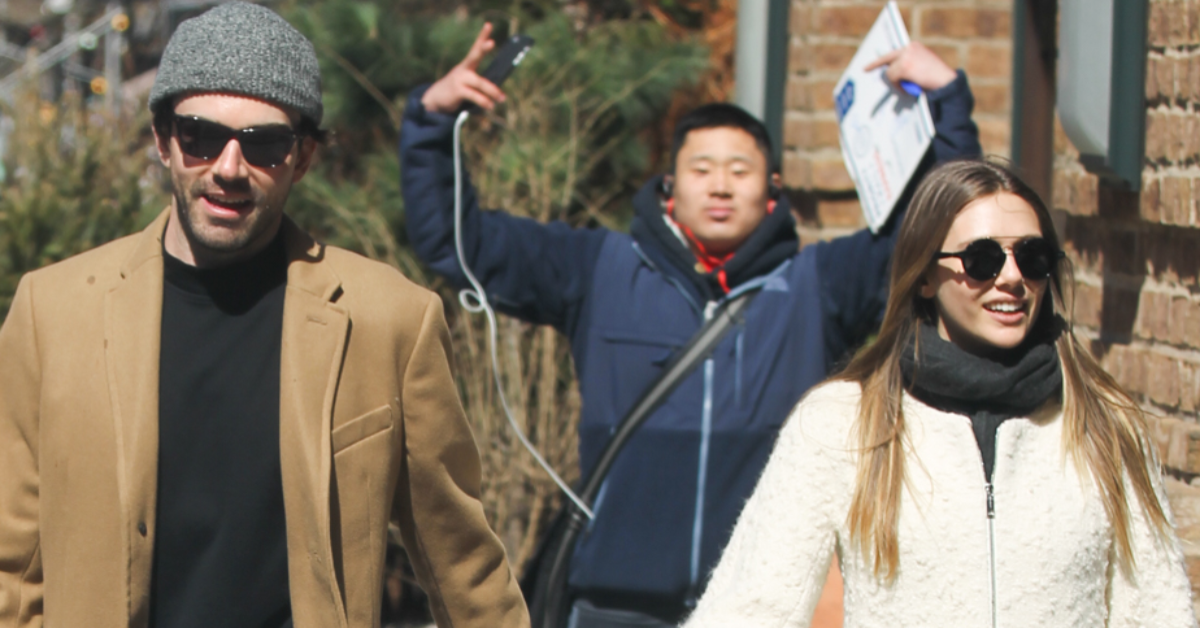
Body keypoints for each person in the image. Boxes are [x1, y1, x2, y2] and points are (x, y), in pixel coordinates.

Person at [400, 24, 981, 627]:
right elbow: (456, 243)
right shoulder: (599, 269)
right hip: (615, 607)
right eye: (702, 169)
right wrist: (431, 125)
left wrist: (947, 102)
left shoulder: (819, 285)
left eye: (740, 170)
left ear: (773, 190)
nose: (722, 185)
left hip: (761, 607)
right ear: (671, 187)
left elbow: (941, 233)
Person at [0, 4, 528, 627]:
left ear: (302, 159)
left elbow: (464, 569)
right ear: (163, 140)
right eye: (200, 136)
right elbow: (12, 567)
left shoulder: (388, 322)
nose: (228, 168)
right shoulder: (53, 311)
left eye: (264, 145)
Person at [682, 160, 1198, 628]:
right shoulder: (842, 422)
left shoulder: (1106, 424)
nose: (1012, 278)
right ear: (925, 275)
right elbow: (747, 610)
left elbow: (1156, 611)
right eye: (982, 259)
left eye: (1033, 257)